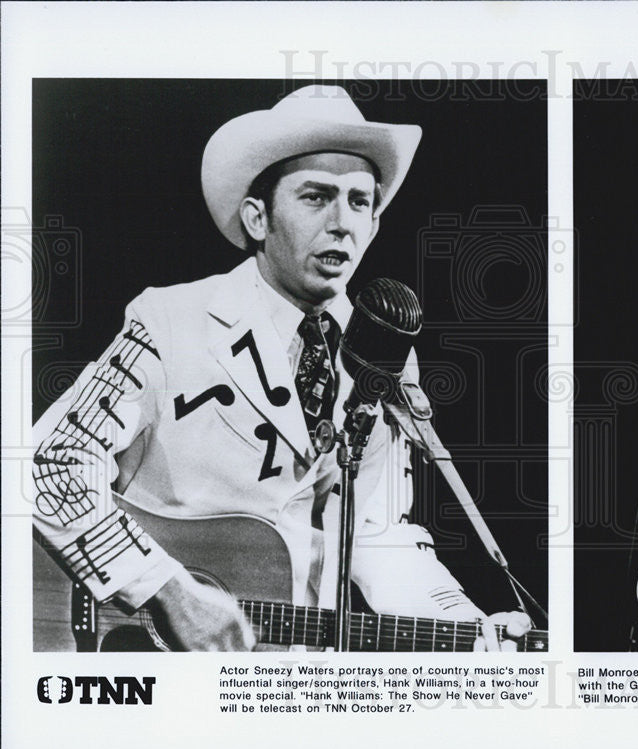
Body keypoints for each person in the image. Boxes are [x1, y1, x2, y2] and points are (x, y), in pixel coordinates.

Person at [33, 85, 528, 651]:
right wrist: (165, 591)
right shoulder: (170, 320)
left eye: (360, 201)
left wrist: (464, 624)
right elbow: (47, 464)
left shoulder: (385, 354)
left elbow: (377, 534)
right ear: (257, 218)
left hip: (295, 675)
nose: (343, 223)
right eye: (317, 197)